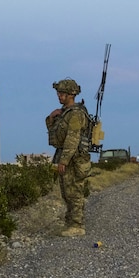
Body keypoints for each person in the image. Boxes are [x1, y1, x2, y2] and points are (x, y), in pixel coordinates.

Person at [45, 78, 92, 237]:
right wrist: (51, 117)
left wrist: (63, 161)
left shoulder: (76, 114)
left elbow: (72, 139)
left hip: (75, 159)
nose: (59, 96)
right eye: (58, 93)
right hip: (66, 156)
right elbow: (55, 135)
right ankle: (70, 221)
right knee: (66, 192)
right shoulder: (65, 113)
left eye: (62, 93)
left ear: (72, 94)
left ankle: (77, 225)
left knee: (74, 192)